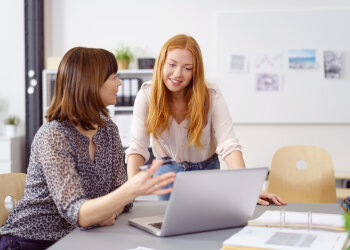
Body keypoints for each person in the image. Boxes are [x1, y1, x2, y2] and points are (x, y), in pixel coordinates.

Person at [0, 47, 175, 250]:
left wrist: (112, 211)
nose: (119, 83)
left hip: (80, 238)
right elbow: (79, 213)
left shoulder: (108, 129)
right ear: (90, 83)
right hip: (31, 242)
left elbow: (119, 193)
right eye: (113, 77)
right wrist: (131, 190)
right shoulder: (53, 136)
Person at [125, 34, 285, 205]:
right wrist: (129, 193)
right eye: (172, 64)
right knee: (167, 226)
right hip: (167, 172)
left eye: (188, 68)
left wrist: (247, 189)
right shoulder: (147, 96)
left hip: (206, 170)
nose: (178, 74)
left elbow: (228, 144)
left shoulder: (211, 96)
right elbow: (138, 147)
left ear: (196, 71)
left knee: (207, 227)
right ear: (161, 63)